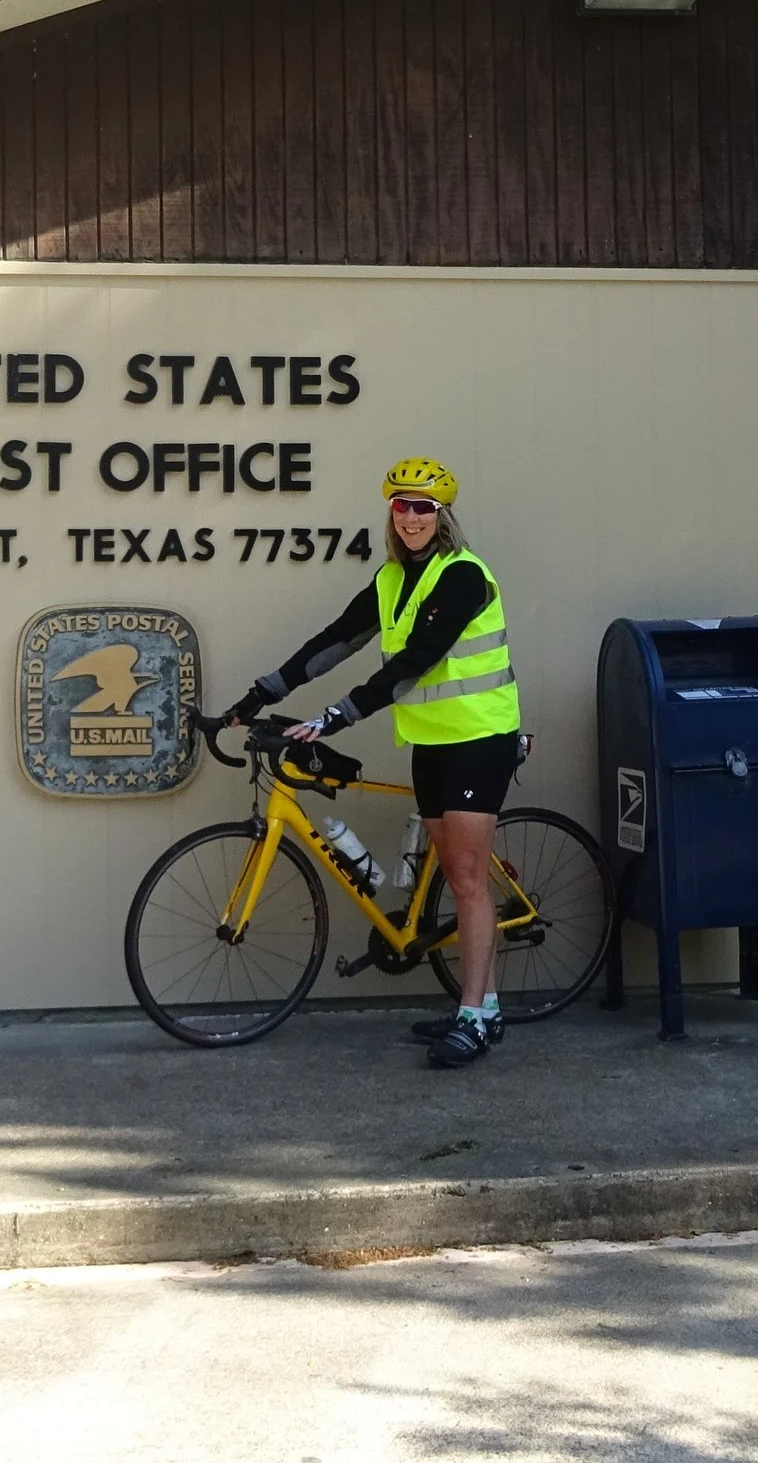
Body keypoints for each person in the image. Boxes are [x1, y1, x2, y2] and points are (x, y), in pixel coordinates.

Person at [219, 457, 522, 1068]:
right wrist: (259, 695)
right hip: (430, 743)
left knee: (466, 880)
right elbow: (335, 641)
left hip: (480, 739)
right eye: (401, 506)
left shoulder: (463, 576)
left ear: (442, 516)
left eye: (423, 507)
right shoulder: (390, 580)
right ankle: (482, 1007)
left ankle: (475, 1017)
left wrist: (337, 716)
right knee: (457, 874)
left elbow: (417, 660)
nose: (411, 517)